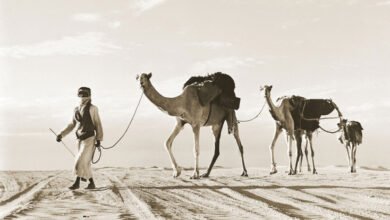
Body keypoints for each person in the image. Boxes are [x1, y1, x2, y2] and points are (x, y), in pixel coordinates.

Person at [56, 87, 103, 190]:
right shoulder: (76, 109)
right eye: (80, 94)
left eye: (84, 94)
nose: (82, 96)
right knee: (85, 162)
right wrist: (61, 134)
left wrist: (99, 139)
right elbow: (72, 124)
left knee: (79, 160)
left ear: (89, 95)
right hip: (79, 139)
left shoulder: (93, 109)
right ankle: (91, 183)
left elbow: (98, 124)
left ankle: (77, 183)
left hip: (89, 138)